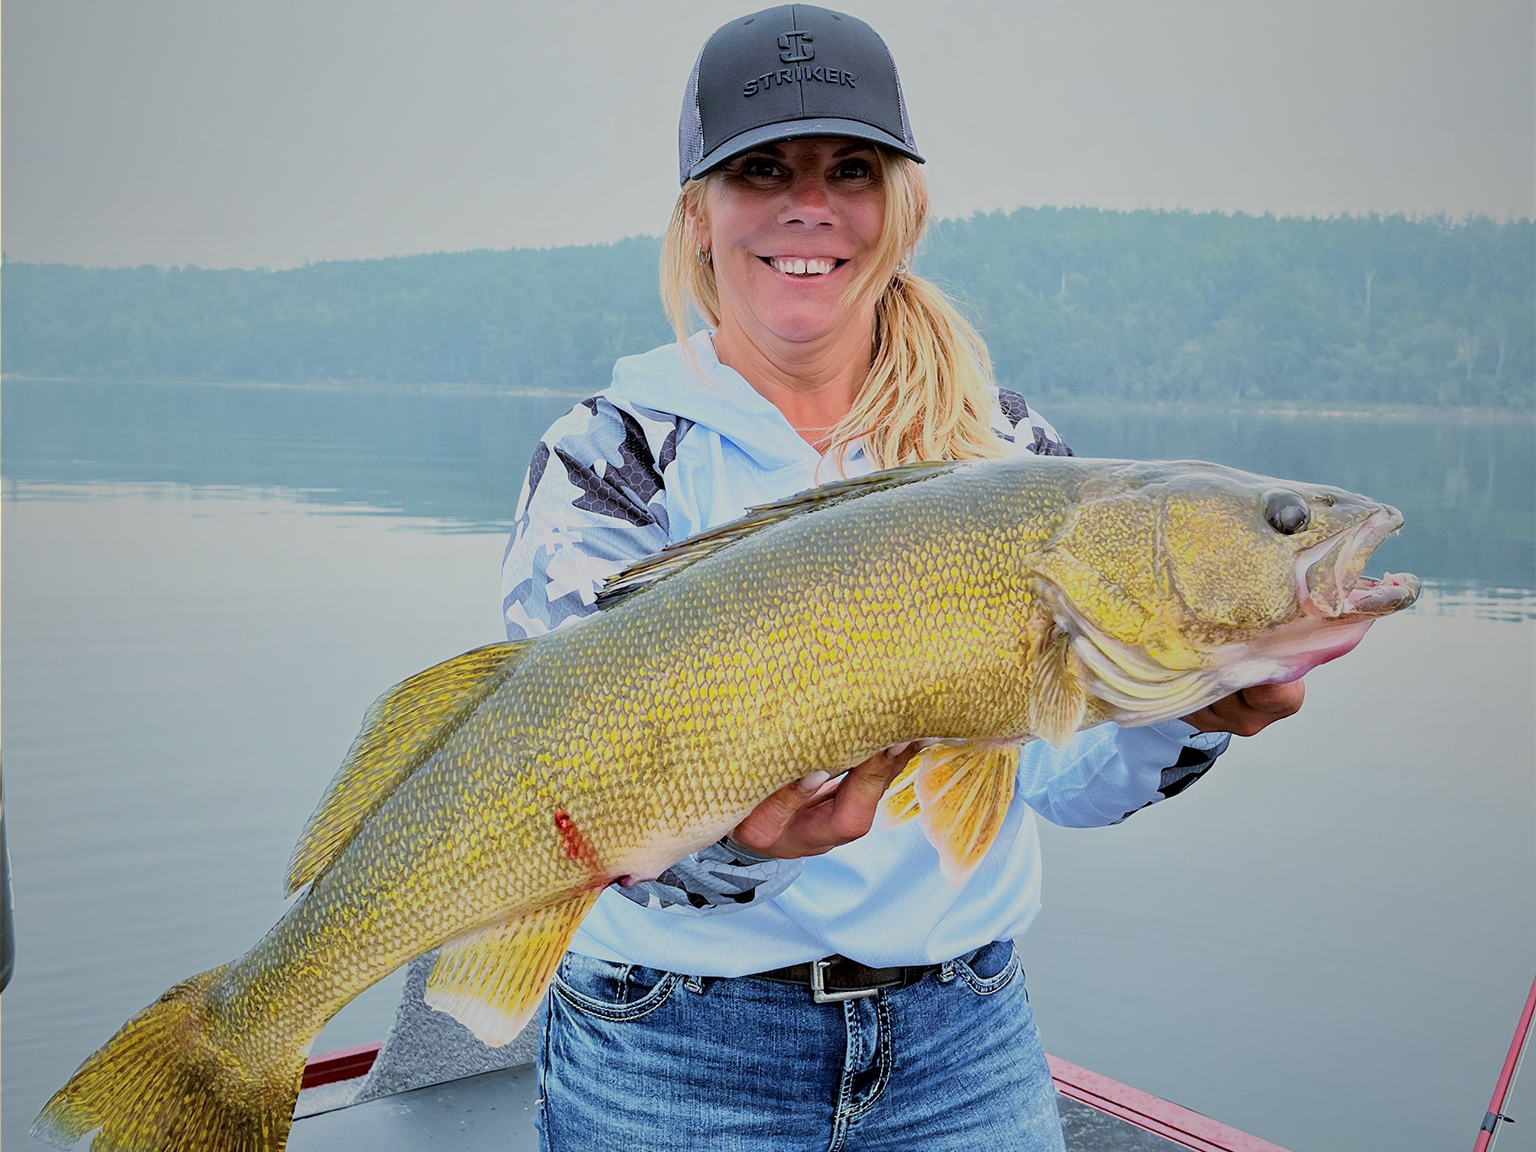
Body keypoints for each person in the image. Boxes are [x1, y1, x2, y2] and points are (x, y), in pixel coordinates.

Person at [373, 6, 1304, 1148]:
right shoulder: (607, 456)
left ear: (899, 207)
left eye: (849, 169)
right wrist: (738, 851)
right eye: (761, 169)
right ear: (697, 216)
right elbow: (569, 800)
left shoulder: (1004, 450)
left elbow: (1064, 781)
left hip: (965, 1048)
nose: (807, 205)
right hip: (672, 1055)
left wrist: (1195, 714)